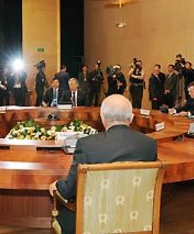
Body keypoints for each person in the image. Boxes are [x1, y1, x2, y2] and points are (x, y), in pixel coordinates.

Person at [48, 94, 157, 234]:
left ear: (102, 117)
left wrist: (56, 185)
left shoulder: (87, 145)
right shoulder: (149, 145)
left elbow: (69, 190)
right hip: (136, 220)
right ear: (131, 118)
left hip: (94, 222)